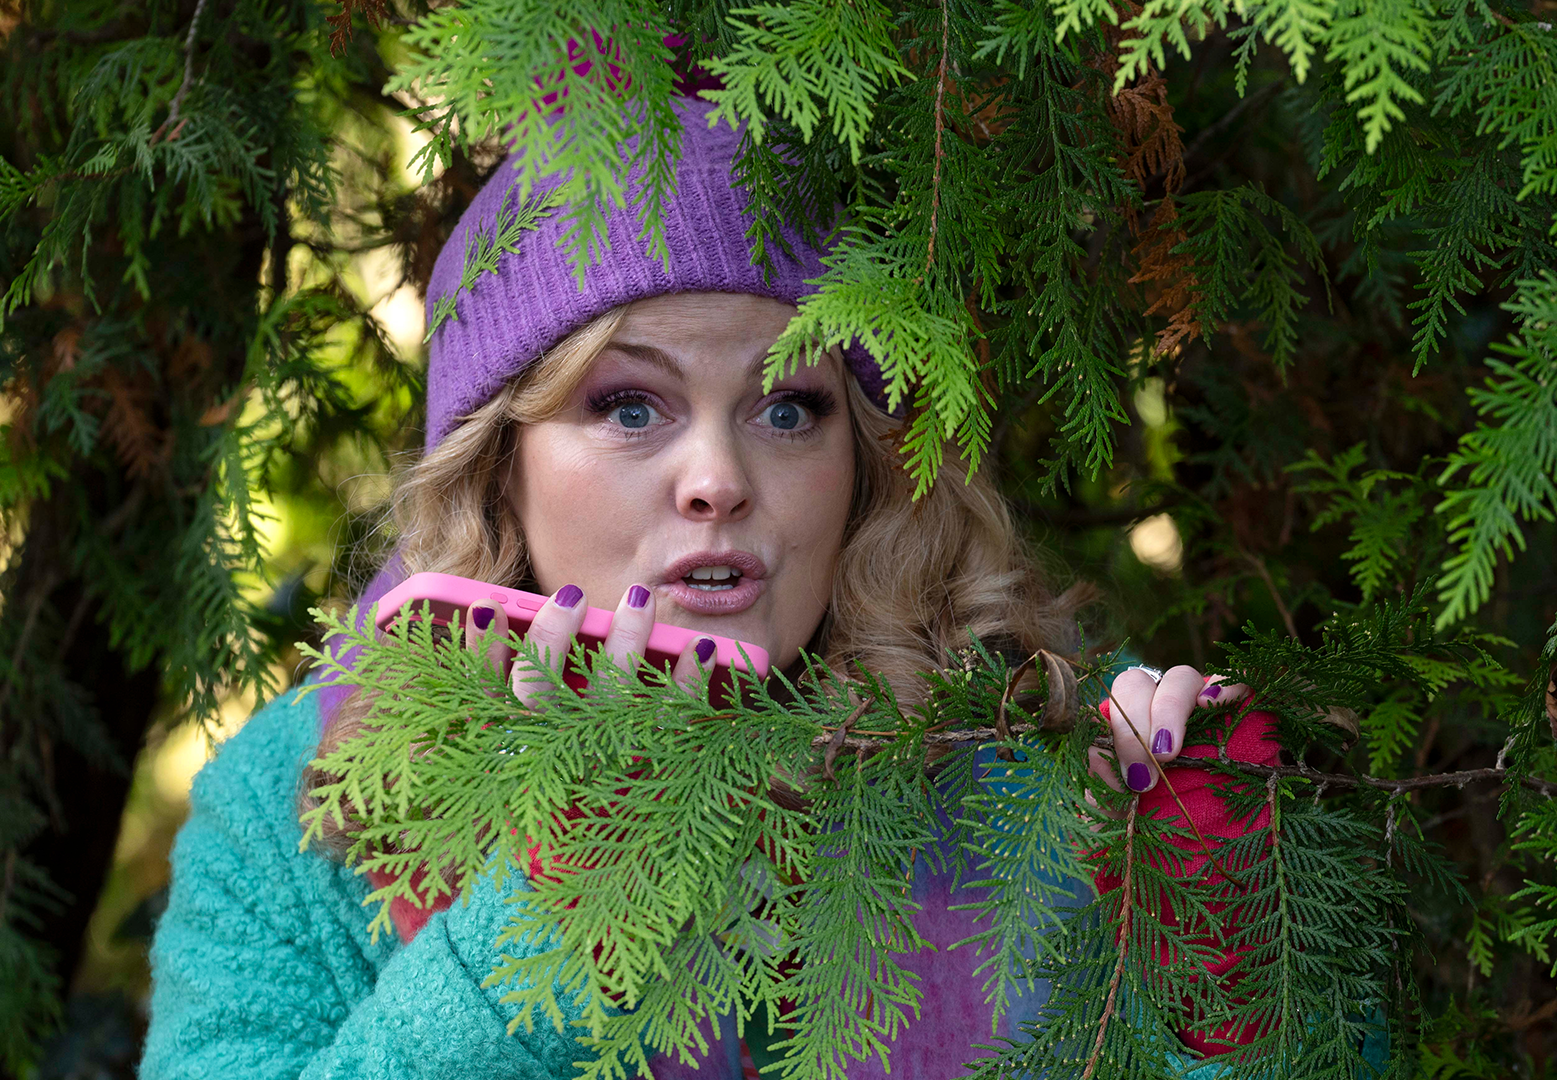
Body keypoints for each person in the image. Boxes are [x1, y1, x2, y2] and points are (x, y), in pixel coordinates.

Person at [137, 93, 1280, 1080]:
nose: (719, 480)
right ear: (498, 464)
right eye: (630, 406)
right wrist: (557, 918)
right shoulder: (300, 805)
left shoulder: (1052, 742)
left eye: (788, 408)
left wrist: (1229, 968)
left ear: (865, 459)